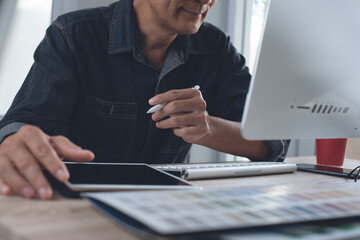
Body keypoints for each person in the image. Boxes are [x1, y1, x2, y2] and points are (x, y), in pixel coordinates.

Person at [0, 0, 289, 200]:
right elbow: (18, 128)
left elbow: (273, 142)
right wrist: (13, 141)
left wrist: (208, 128)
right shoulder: (72, 35)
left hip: (165, 213)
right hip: (76, 211)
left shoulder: (216, 48)